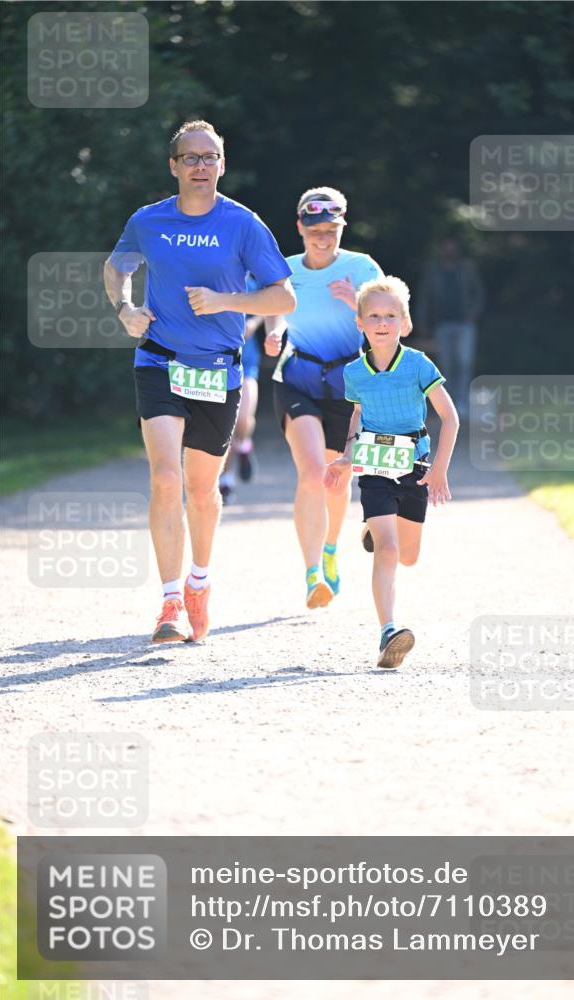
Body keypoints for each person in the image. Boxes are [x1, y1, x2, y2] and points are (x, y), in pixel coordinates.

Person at [103, 120, 295, 643]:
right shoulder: (149, 220)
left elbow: (283, 297)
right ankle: (168, 602)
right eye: (191, 158)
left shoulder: (244, 224)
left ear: (222, 164)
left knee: (203, 491)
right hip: (159, 360)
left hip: (217, 369)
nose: (201, 166)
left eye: (210, 157)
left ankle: (199, 582)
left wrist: (227, 301)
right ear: (173, 166)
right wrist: (125, 309)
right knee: (166, 478)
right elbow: (115, 267)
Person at [325, 276, 459, 669]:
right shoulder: (355, 372)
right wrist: (347, 456)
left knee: (409, 556)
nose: (382, 322)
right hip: (374, 466)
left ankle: (374, 529)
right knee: (388, 549)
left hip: (415, 467)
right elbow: (357, 414)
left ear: (404, 321)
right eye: (373, 316)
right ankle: (388, 632)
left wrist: (438, 470)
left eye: (390, 315)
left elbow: (449, 419)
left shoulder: (418, 364)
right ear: (360, 323)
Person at [264, 187, 383, 609]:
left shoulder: (362, 266)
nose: (322, 237)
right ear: (300, 227)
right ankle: (313, 571)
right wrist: (275, 331)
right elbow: (273, 304)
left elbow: (391, 325)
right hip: (298, 377)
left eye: (331, 230)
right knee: (313, 470)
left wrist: (358, 304)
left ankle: (331, 547)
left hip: (348, 386)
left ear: (341, 227)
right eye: (315, 229)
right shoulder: (286, 268)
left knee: (337, 475)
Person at [416, 237, 483, 419]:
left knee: (464, 362)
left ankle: (462, 401)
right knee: (445, 364)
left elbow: (478, 293)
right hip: (442, 323)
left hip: (464, 323)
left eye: (452, 249)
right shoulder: (433, 270)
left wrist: (472, 314)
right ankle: (449, 402)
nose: (449, 252)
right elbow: (425, 298)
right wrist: (422, 322)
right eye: (446, 249)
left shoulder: (466, 268)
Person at [219, 314, 263, 503]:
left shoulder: (253, 284)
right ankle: (226, 482)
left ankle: (244, 445)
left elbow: (276, 303)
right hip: (217, 366)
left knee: (244, 419)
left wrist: (254, 322)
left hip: (247, 365)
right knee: (223, 429)